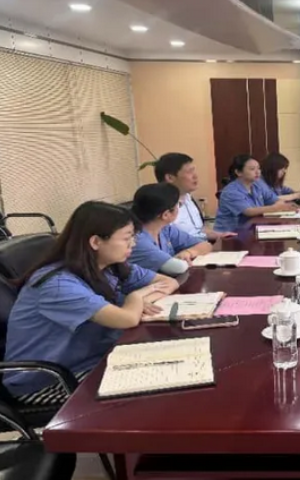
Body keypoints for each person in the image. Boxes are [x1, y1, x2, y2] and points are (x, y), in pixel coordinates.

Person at [3, 202, 178, 396]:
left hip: (95, 360)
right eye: (126, 238)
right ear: (95, 242)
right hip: (46, 383)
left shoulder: (109, 266)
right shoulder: (57, 284)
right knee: (158, 385)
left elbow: (168, 282)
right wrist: (135, 298)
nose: (133, 244)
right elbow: (127, 319)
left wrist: (137, 303)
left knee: (171, 365)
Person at [129, 183, 213, 275]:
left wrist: (188, 252)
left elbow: (206, 245)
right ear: (166, 215)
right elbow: (178, 268)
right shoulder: (137, 240)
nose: (179, 207)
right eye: (178, 205)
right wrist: (182, 258)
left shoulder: (165, 229)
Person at [154, 152, 235, 240]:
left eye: (194, 171)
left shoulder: (188, 198)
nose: (195, 176)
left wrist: (220, 235)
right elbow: (169, 241)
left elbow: (198, 231)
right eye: (189, 172)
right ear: (170, 178)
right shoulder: (161, 206)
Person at [214, 154, 297, 232]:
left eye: (259, 168)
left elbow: (275, 199)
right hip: (230, 234)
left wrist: (279, 205)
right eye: (252, 169)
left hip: (252, 229)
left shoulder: (257, 185)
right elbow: (249, 211)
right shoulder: (231, 191)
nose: (257, 172)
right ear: (239, 172)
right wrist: (275, 208)